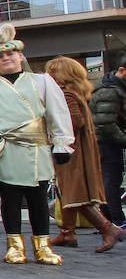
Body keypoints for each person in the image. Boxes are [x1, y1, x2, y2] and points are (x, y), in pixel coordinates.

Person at [0, 25, 74, 264]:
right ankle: (14, 246)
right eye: (0, 57)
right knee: (10, 200)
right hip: (8, 151)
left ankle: (43, 246)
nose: (6, 59)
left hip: (37, 147)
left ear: (20, 56)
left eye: (10, 54)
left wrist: (62, 143)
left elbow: (57, 113)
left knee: (38, 199)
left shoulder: (41, 82)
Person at [46, 57, 121, 252]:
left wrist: (53, 132)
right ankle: (67, 232)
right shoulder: (76, 92)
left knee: (74, 193)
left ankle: (107, 228)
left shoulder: (66, 95)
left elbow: (73, 122)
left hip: (71, 150)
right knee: (67, 191)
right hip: (78, 148)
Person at [90, 55, 126, 227]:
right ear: (121, 71)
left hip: (104, 141)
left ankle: (110, 222)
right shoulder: (110, 90)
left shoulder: (111, 86)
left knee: (108, 182)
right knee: (110, 182)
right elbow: (106, 124)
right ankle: (116, 222)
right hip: (106, 143)